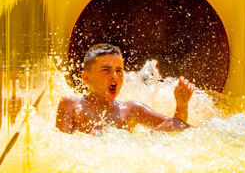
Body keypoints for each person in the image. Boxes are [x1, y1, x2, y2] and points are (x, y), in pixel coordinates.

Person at [57, 44, 194, 134]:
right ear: (86, 77)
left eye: (119, 70)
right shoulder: (71, 105)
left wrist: (182, 105)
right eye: (106, 70)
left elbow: (175, 128)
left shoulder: (131, 110)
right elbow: (62, 149)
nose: (115, 76)